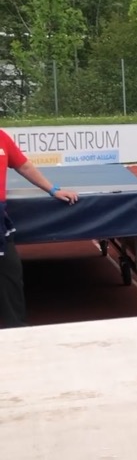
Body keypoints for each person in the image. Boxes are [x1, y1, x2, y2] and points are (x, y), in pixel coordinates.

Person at [1, 127, 79, 328]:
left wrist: (53, 190)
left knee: (10, 273)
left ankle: (16, 329)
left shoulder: (2, 138)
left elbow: (24, 166)